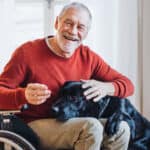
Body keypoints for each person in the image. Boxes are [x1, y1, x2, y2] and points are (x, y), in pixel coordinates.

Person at [0, 2, 134, 150]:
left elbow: (128, 85)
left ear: (87, 32)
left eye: (80, 27)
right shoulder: (26, 53)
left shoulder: (88, 57)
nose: (73, 31)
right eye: (68, 23)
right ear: (57, 23)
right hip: (33, 126)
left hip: (71, 122)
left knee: (121, 128)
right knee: (91, 126)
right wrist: (23, 95)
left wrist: (106, 87)